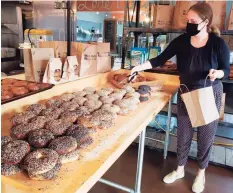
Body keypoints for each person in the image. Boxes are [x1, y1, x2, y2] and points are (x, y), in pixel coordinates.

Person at [130, 3, 230, 193]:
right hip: (186, 92)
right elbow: (159, 59)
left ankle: (201, 173)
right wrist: (137, 67)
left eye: (193, 21)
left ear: (205, 22)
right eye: (187, 20)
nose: (188, 24)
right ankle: (180, 169)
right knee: (183, 134)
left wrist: (217, 73)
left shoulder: (218, 44)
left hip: (209, 93)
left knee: (205, 136)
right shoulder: (182, 41)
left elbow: (225, 69)